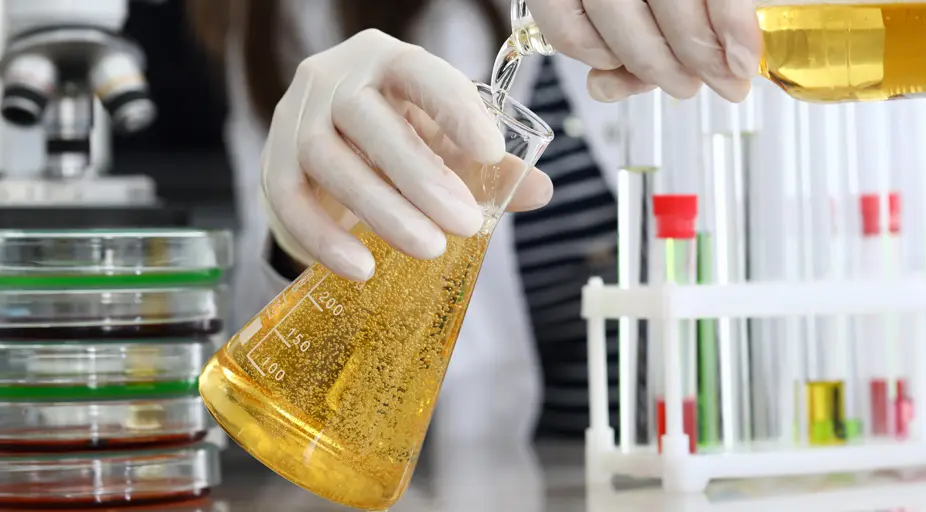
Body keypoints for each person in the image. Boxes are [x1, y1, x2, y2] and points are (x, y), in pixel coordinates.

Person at [187, 0, 759, 447]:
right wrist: (308, 238)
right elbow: (267, 373)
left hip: (753, 454)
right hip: (509, 478)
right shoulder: (300, 18)